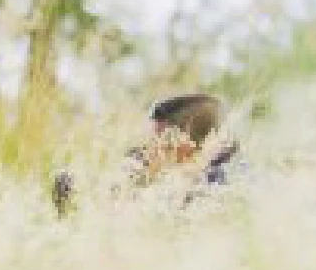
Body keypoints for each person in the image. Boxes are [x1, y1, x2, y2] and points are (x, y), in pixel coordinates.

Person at [51, 91, 243, 217]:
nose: (148, 149)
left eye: (159, 139)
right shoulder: (179, 175)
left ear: (187, 145)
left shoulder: (222, 183)